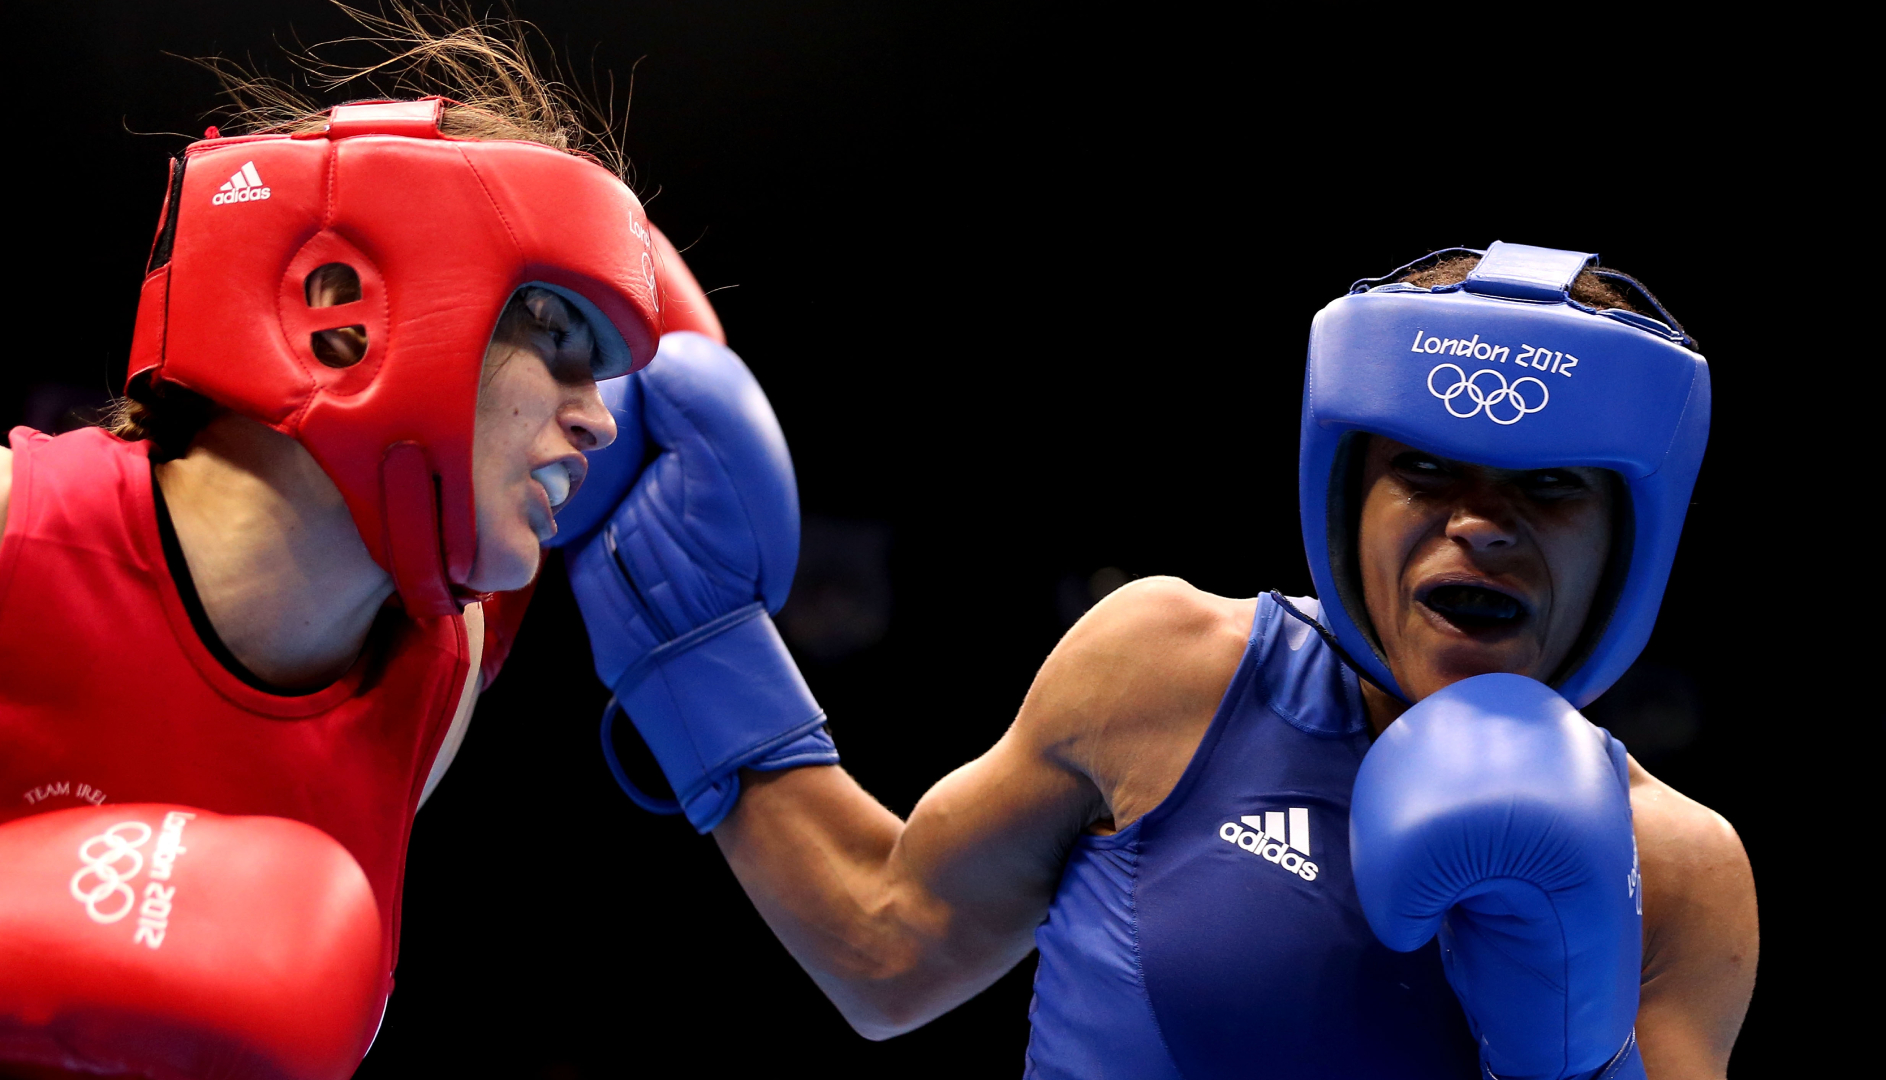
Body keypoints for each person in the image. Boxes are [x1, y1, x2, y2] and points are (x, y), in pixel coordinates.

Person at [567, 242, 1759, 1078]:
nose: (1481, 523)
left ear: (1628, 540)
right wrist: (694, 646)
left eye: (1548, 487)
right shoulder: (1172, 671)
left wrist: (1570, 1063)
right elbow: (886, 946)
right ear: (1349, 497)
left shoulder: (1680, 869)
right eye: (1429, 469)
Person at [0, 13, 719, 1076]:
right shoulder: (17, 533)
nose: (599, 420)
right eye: (559, 340)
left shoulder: (441, 668)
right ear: (340, 313)